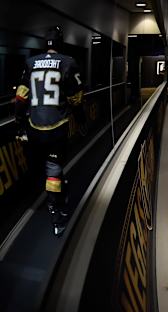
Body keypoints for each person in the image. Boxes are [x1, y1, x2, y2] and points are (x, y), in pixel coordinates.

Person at [15, 26, 86, 236]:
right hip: (56, 128)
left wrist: (20, 123)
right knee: (53, 170)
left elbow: (20, 97)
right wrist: (81, 121)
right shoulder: (68, 62)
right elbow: (76, 99)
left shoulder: (30, 63)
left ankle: (43, 201)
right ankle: (57, 215)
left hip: (34, 127)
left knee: (42, 168)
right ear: (60, 43)